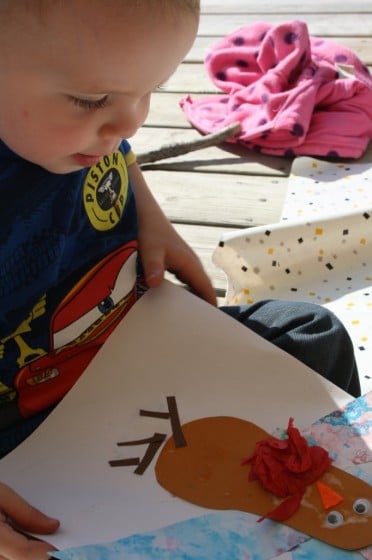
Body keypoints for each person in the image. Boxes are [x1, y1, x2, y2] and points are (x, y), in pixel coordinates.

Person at [0, 1, 360, 558]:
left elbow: (117, 148)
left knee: (308, 332)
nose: (130, 122)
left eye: (151, 90)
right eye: (92, 100)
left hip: (137, 350)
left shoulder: (69, 121)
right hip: (28, 432)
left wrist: (148, 212)